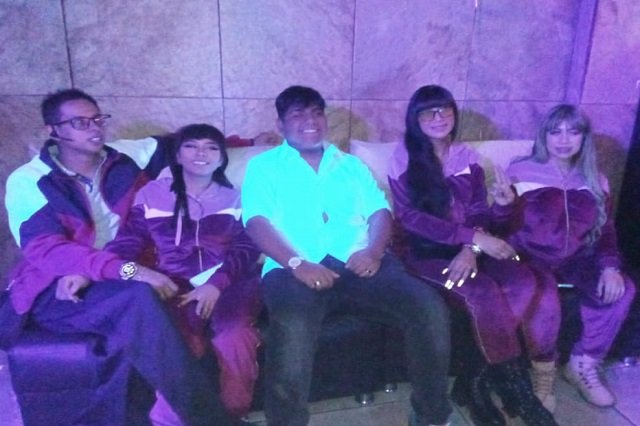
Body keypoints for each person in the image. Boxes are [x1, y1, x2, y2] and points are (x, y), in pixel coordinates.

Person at [4, 89, 238, 425]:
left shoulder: (124, 157)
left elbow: (183, 144)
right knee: (138, 297)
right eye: (80, 123)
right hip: (56, 289)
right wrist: (128, 270)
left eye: (97, 119)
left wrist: (245, 141)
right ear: (52, 130)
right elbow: (48, 250)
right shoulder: (30, 180)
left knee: (151, 311)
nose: (94, 128)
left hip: (108, 278)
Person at [241, 85, 452, 426]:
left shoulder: (350, 165)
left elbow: (380, 212)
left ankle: (432, 416)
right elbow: (255, 221)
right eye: (298, 115)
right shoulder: (263, 167)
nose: (310, 121)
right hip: (292, 268)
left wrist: (374, 251)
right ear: (281, 124)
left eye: (316, 113)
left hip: (359, 261)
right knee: (293, 327)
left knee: (427, 307)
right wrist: (297, 264)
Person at [388, 85, 557, 426]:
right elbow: (411, 219)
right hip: (424, 252)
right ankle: (518, 392)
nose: (439, 118)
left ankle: (473, 381)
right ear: (415, 119)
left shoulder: (467, 157)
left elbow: (481, 214)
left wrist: (503, 208)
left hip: (471, 247)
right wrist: (473, 238)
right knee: (481, 291)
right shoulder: (403, 158)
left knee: (523, 280)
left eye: (445, 110)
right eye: (429, 112)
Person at [102, 123, 262, 422]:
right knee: (177, 342)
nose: (201, 153)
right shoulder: (152, 194)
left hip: (229, 281)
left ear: (222, 159)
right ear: (177, 155)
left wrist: (216, 284)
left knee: (234, 335)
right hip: (172, 283)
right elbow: (125, 244)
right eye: (191, 146)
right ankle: (170, 419)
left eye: (211, 147)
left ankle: (232, 416)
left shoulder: (236, 198)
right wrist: (128, 270)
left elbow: (247, 247)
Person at [506, 104, 636, 408]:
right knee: (544, 298)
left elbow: (605, 231)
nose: (564, 140)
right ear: (544, 136)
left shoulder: (596, 179)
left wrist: (610, 267)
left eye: (573, 132)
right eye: (556, 132)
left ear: (584, 137)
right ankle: (543, 374)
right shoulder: (519, 171)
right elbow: (500, 220)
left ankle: (582, 364)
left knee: (622, 289)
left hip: (578, 259)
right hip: (529, 256)